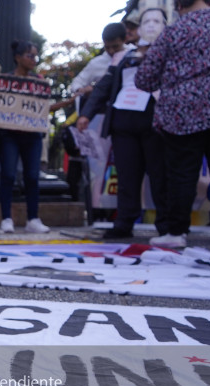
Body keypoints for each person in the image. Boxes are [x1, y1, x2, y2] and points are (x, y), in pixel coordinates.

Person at [76, 9, 168, 239]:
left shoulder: (168, 54)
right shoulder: (122, 58)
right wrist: (86, 114)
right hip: (123, 123)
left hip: (155, 124)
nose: (150, 26)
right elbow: (104, 87)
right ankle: (125, 222)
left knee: (159, 175)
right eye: (146, 22)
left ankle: (168, 225)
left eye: (156, 22)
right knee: (126, 176)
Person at [136, 0, 210, 247]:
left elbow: (145, 78)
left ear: (179, 4)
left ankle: (176, 232)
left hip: (181, 113)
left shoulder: (173, 32)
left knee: (181, 175)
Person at [0, 41, 51, 235]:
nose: (34, 60)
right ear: (18, 57)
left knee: (32, 177)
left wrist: (68, 102)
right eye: (30, 56)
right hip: (9, 134)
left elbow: (44, 108)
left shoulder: (40, 81)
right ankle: (6, 219)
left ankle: (33, 218)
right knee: (8, 175)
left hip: (33, 135)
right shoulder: (4, 81)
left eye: (36, 56)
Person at [69, 23, 128, 109]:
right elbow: (77, 82)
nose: (111, 51)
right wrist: (81, 90)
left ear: (125, 40)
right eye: (107, 47)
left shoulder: (135, 55)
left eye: (115, 46)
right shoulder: (97, 63)